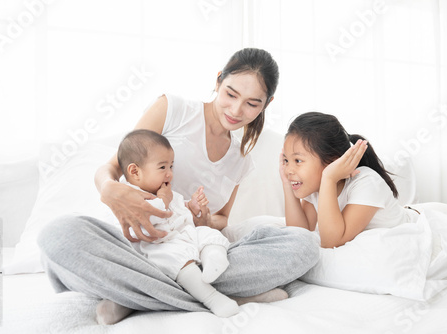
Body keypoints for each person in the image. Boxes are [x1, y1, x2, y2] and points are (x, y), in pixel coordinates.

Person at [38, 48, 320, 325]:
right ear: (218, 80)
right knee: (58, 236)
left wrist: (203, 218)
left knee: (304, 244)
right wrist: (108, 189)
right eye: (230, 94)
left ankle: (136, 297)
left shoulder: (241, 160)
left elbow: (220, 220)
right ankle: (219, 296)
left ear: (267, 104)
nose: (236, 110)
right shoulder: (173, 109)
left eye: (252, 103)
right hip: (133, 245)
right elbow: (113, 167)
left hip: (189, 251)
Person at [279, 111, 447, 256]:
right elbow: (300, 233)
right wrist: (287, 185)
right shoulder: (317, 189)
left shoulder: (366, 181)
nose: (289, 169)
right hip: (413, 215)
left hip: (438, 223)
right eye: (286, 160)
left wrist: (328, 179)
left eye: (298, 160)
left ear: (333, 161)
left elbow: (331, 241)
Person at [96, 129, 239, 322]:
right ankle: (211, 297)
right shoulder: (130, 196)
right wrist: (163, 200)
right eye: (163, 167)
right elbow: (150, 218)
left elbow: (179, 208)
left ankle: (214, 258)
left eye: (171, 166)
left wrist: (192, 206)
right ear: (135, 172)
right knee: (178, 259)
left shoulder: (164, 191)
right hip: (155, 249)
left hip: (182, 237)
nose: (170, 174)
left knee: (207, 233)